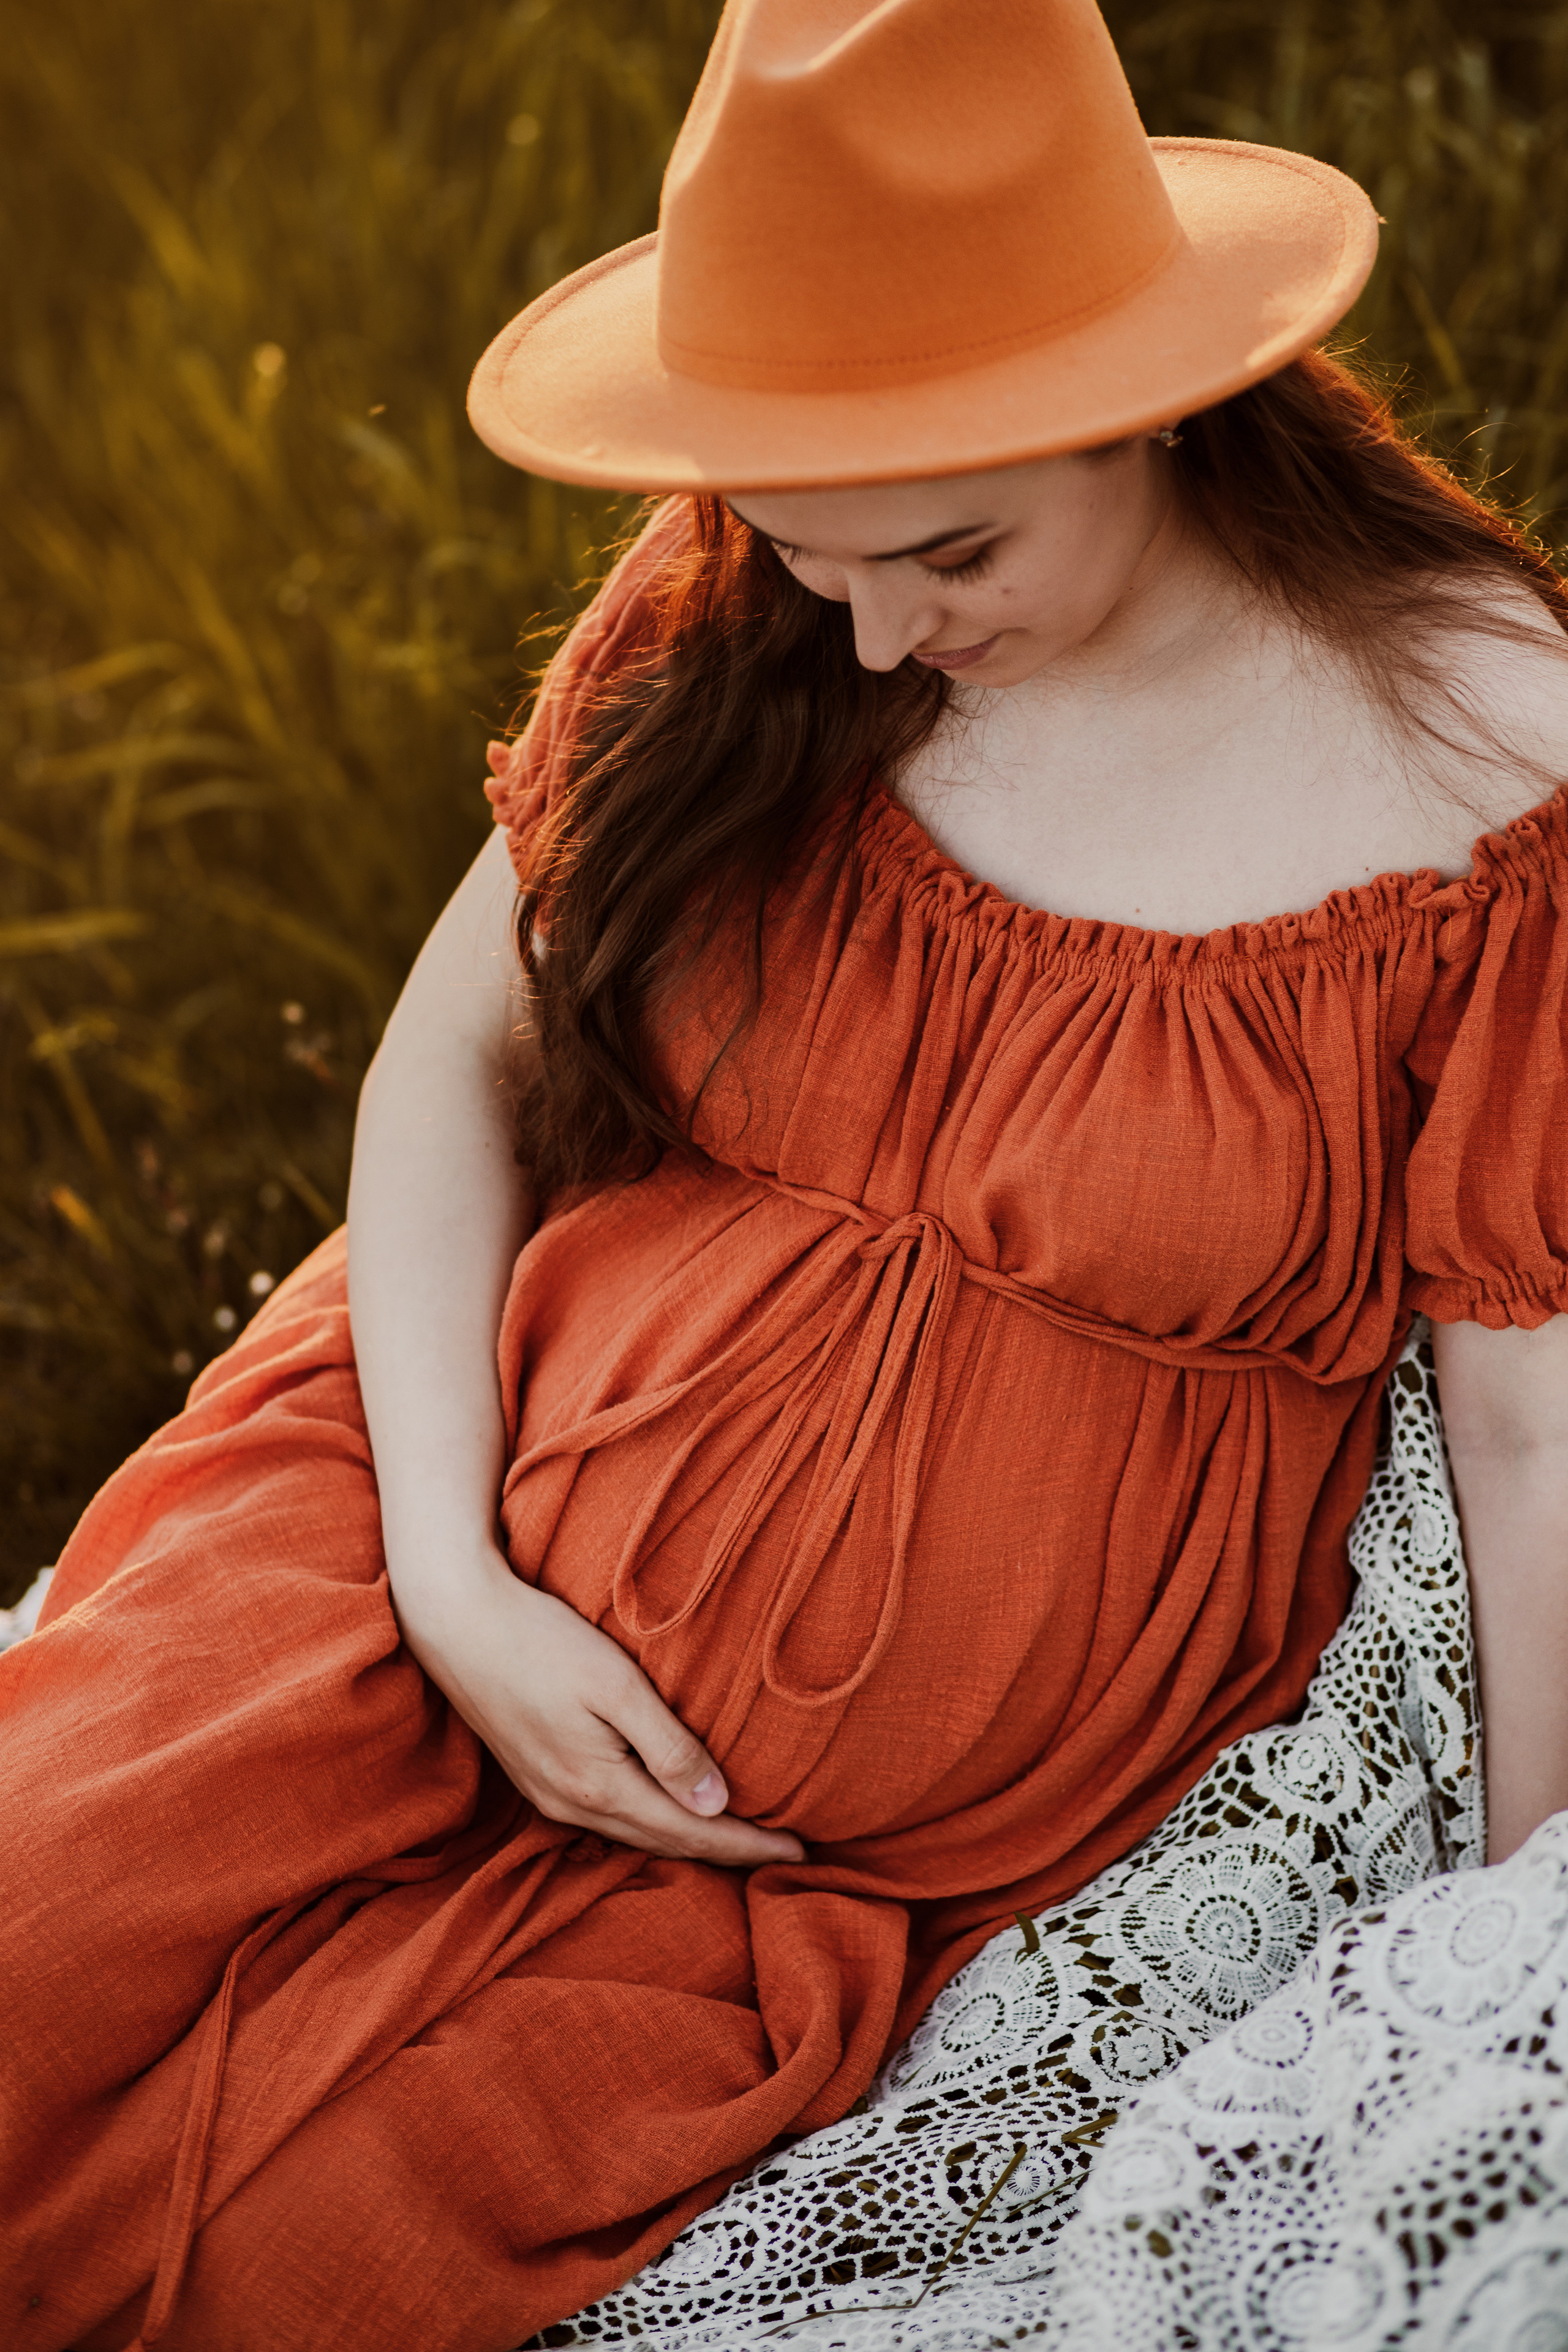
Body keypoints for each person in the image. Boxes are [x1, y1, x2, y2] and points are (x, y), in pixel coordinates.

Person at [6, 1, 1568, 2346]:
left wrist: (1513, 1962)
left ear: (1151, 397)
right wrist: (456, 1581)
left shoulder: (1479, 768)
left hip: (827, 1860)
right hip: (412, 1513)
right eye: (807, 545)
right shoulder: (774, 605)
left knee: (300, 2262)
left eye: (949, 548)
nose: (868, 631)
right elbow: (458, 1060)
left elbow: (1535, 1421)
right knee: (31, 1946)